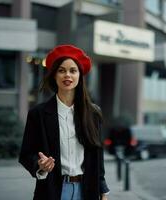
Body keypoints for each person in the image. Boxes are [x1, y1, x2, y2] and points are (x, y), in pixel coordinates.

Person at [19, 44, 110, 200]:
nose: (67, 75)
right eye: (61, 70)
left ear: (79, 76)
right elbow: (26, 154)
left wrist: (103, 190)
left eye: (73, 71)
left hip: (86, 190)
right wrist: (40, 166)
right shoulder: (38, 114)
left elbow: (97, 156)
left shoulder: (93, 113)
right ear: (54, 75)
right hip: (53, 191)